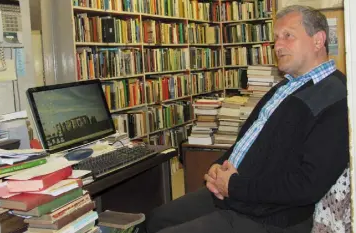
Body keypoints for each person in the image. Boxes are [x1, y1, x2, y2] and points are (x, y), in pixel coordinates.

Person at [145, 5, 349, 233]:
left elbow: (307, 185)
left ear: (318, 40)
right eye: (276, 39)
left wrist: (234, 185)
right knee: (156, 218)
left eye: (288, 36)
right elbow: (249, 140)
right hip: (235, 195)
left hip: (271, 216)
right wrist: (218, 165)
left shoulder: (339, 98)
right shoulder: (285, 86)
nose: (277, 46)